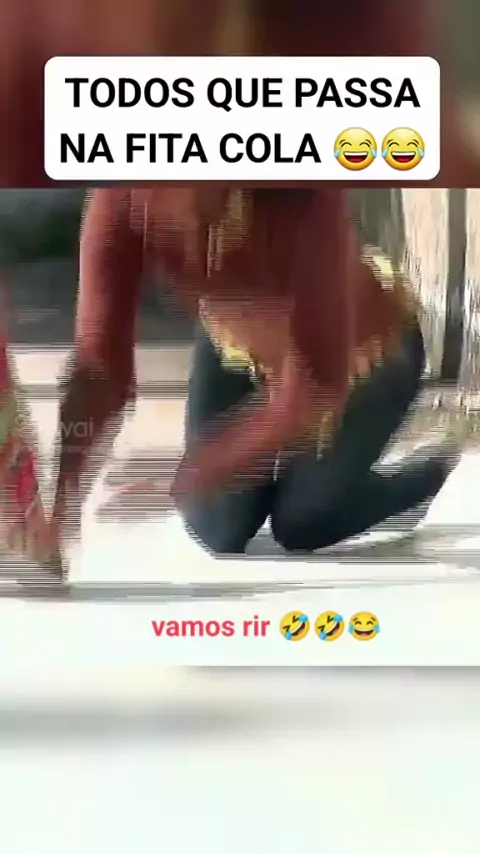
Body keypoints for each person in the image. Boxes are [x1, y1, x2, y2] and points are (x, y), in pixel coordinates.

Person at [183, 246, 459, 554]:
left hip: (367, 345)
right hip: (251, 337)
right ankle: (273, 488)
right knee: (217, 527)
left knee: (303, 522)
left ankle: (428, 474)